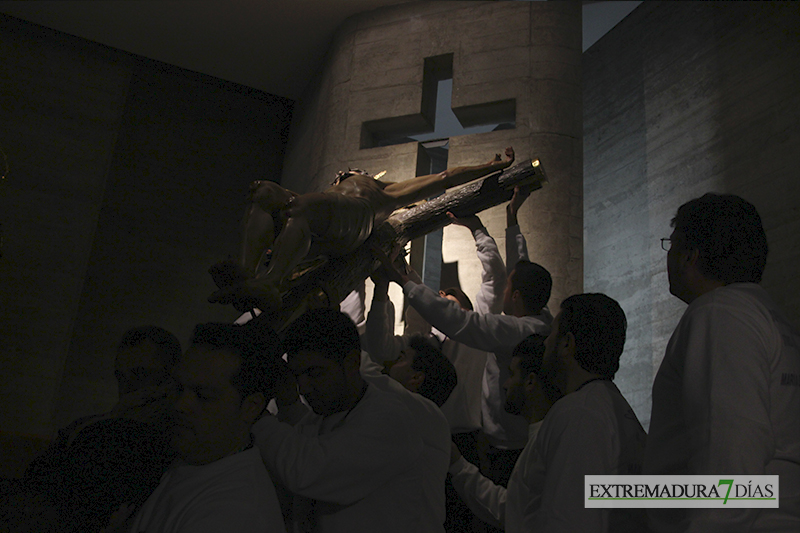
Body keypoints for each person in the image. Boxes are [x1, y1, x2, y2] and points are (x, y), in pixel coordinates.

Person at [378, 187, 553, 491]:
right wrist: (510, 220)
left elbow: (479, 297)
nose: (442, 297)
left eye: (448, 296)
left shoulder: (508, 332)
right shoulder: (534, 319)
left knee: (496, 508)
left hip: (501, 443)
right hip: (471, 436)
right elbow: (518, 271)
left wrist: (402, 280)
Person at [644, 193, 800, 532]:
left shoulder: (720, 314)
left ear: (690, 256)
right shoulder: (770, 320)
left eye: (670, 246)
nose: (667, 258)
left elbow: (729, 455)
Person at [208, 147, 516, 312]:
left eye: (350, 174)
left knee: (301, 207)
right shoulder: (330, 194)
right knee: (263, 192)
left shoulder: (386, 190)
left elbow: (445, 177)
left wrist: (490, 166)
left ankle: (269, 283)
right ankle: (248, 275)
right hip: (324, 227)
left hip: (357, 221)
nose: (345, 174)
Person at [365, 209, 508, 533]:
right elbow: (379, 349)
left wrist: (477, 228)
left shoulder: (476, 337)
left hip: (465, 440)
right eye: (439, 296)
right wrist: (388, 281)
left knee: (463, 521)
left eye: (449, 297)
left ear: (467, 310)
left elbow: (494, 280)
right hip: (417, 435)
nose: (440, 299)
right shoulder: (423, 344)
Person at [252, 308, 449, 533]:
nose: (304, 387)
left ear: (352, 363)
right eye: (298, 376)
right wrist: (287, 403)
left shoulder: (392, 420)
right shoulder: (325, 415)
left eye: (315, 373)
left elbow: (308, 470)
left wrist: (256, 415)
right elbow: (316, 439)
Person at [2, 326, 180, 533]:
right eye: (121, 378)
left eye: (140, 374)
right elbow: (37, 477)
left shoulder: (170, 439)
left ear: (172, 377)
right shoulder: (99, 424)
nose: (128, 387)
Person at [127, 322, 286, 533]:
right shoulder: (192, 458)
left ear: (250, 407)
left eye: (203, 396)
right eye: (179, 388)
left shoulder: (233, 513)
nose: (180, 405)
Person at [448, 335, 559, 531]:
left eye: (512, 374)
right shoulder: (542, 437)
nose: (506, 384)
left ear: (530, 381)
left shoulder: (559, 437)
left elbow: (625, 494)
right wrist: (458, 465)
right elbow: (512, 509)